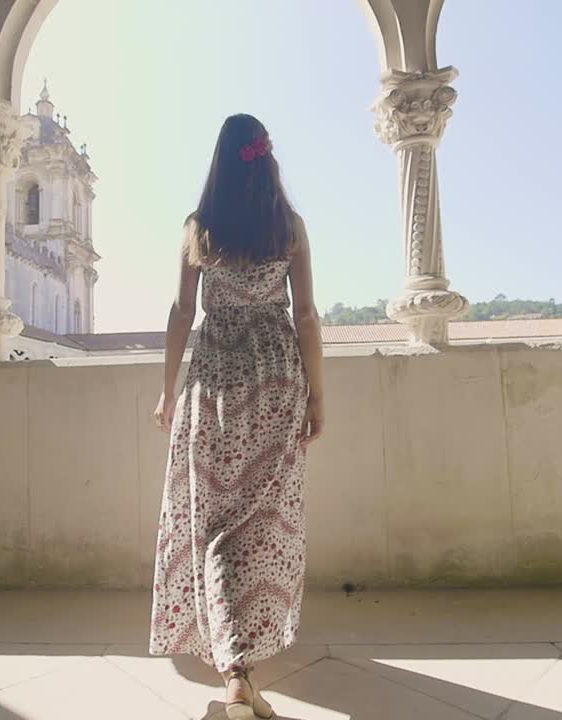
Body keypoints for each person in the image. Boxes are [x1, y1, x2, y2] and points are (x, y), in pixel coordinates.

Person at [148, 114, 325, 719]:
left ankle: (235, 673)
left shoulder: (199, 229)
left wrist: (168, 391)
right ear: (265, 159)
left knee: (217, 525)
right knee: (262, 525)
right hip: (277, 381)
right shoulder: (290, 227)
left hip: (216, 384)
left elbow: (180, 311)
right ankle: (240, 672)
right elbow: (306, 317)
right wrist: (318, 395)